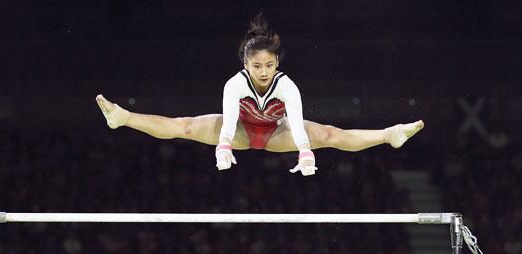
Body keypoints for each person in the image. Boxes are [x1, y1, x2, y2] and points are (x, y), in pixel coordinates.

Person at [96, 13, 423, 176]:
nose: (263, 71)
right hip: (238, 130)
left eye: (269, 64)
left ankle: (389, 134)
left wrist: (305, 152)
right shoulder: (235, 84)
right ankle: (123, 117)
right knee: (186, 127)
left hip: (276, 133)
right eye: (257, 65)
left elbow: (296, 123)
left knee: (328, 133)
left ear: (277, 62)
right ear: (246, 63)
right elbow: (228, 119)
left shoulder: (287, 86)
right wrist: (223, 147)